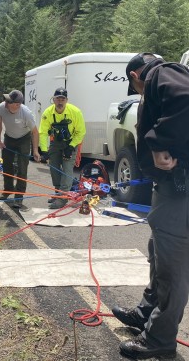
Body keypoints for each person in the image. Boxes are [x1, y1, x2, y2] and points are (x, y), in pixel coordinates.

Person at [112, 52, 189, 359]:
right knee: (159, 254)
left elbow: (185, 99)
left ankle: (159, 338)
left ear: (135, 77)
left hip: (179, 189)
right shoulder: (163, 75)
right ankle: (146, 314)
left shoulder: (161, 73)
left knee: (173, 267)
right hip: (169, 188)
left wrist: (158, 144)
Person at [39, 87, 86, 209]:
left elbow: (81, 132)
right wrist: (44, 150)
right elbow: (43, 132)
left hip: (71, 142)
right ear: (53, 100)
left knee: (66, 169)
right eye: (57, 99)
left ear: (66, 100)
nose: (60, 102)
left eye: (62, 99)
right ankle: (58, 193)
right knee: (54, 168)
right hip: (56, 142)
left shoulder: (75, 112)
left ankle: (63, 198)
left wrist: (71, 147)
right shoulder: (47, 113)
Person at [0, 90, 40, 210]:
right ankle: (8, 189)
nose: (6, 102)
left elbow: (35, 132)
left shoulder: (26, 113)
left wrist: (35, 150)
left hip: (24, 139)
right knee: (7, 165)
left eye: (9, 101)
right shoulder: (1, 107)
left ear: (17, 104)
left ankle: (19, 197)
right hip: (9, 138)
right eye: (6, 99)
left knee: (22, 168)